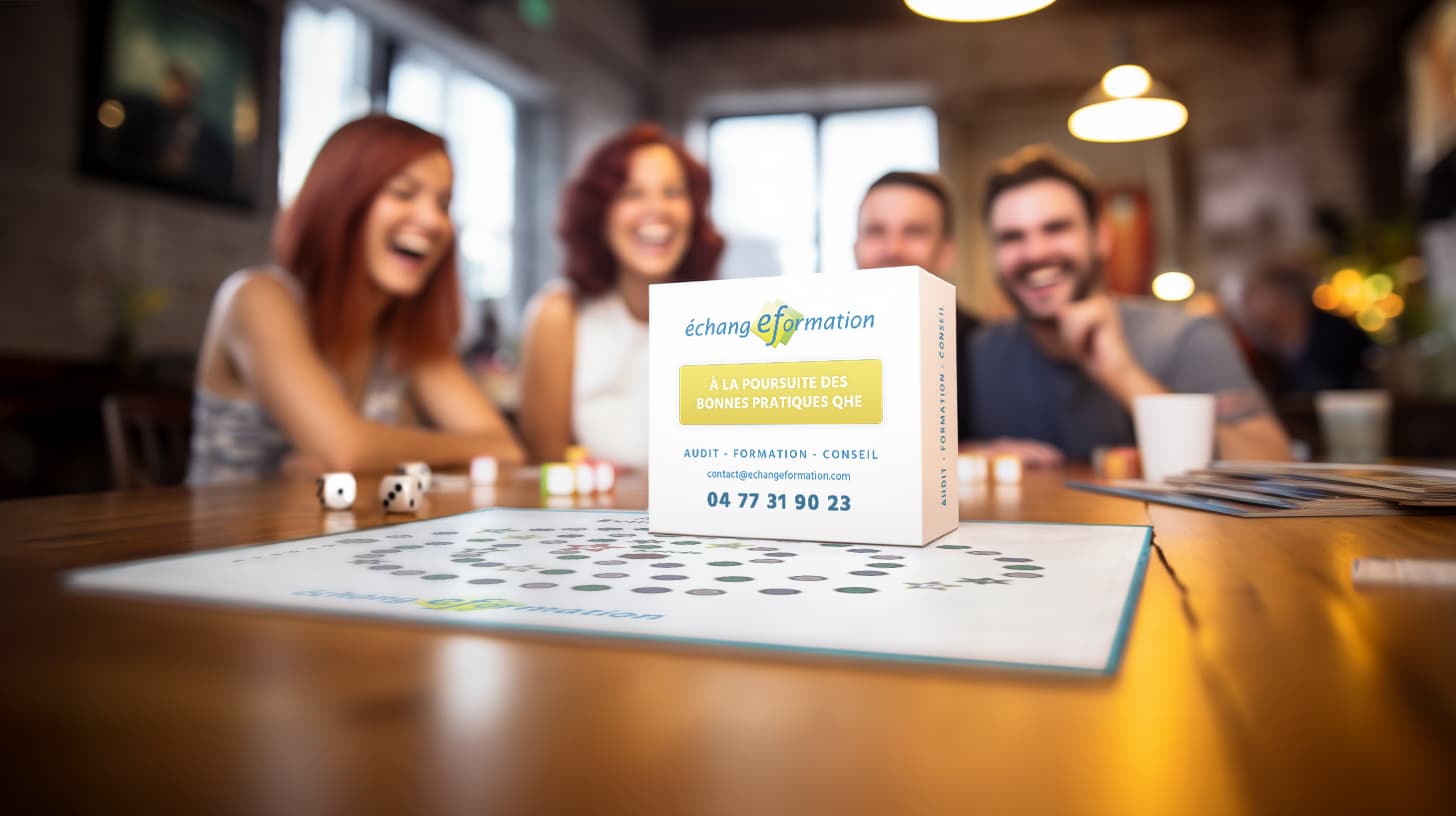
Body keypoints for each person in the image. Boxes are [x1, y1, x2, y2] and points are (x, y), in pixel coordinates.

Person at [187, 115, 524, 485]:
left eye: (443, 204)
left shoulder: (404, 334)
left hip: (337, 540)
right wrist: (457, 447)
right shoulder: (257, 297)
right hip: (223, 540)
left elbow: (506, 449)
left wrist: (369, 453)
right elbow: (345, 451)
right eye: (403, 192)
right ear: (340, 199)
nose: (432, 220)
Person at [967, 145, 1291, 466]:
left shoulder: (1187, 335)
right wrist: (969, 458)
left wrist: (1122, 373)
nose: (1035, 253)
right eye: (1011, 237)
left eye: (1056, 228)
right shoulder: (976, 354)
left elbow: (1273, 461)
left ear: (1101, 238)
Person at [517, 123, 724, 467]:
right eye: (631, 193)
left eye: (673, 192)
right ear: (600, 213)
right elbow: (545, 468)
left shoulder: (720, 318)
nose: (656, 208)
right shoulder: (559, 314)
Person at [854, 170, 979, 442]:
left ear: (946, 252)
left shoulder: (986, 350)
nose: (893, 248)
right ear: (855, 248)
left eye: (914, 232)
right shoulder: (820, 346)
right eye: (876, 231)